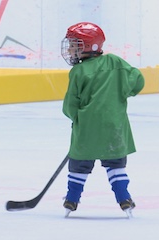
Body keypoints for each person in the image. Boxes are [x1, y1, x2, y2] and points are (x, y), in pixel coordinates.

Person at [60, 22, 144, 217]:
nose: (71, 49)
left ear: (89, 46)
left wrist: (78, 119)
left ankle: (71, 201)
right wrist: (124, 92)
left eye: (75, 45)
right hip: (114, 129)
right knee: (115, 165)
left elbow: (69, 106)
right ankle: (124, 200)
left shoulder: (78, 72)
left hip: (87, 131)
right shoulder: (115, 62)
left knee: (79, 166)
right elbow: (138, 80)